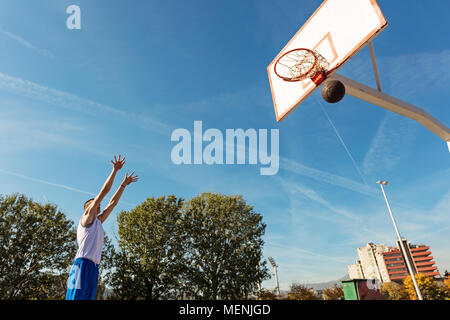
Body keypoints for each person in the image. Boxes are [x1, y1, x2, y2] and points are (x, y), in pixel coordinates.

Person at [65, 155, 138, 300]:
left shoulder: (98, 221)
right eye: (93, 203)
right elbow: (104, 192)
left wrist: (122, 185)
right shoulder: (86, 219)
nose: (97, 205)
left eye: (97, 204)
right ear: (87, 208)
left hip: (93, 267)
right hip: (81, 264)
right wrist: (115, 171)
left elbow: (112, 203)